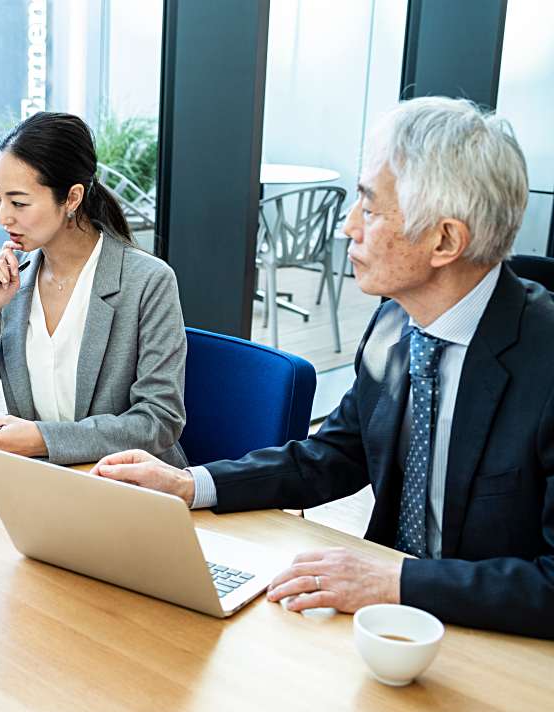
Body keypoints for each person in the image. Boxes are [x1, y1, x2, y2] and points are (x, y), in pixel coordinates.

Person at [91, 97, 554, 640]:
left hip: (502, 649)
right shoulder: (393, 324)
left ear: (445, 240)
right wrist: (190, 484)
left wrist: (397, 581)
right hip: (385, 636)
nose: (346, 226)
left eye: (371, 208)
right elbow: (336, 453)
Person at [0, 112, 188, 466]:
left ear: (72, 198)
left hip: (126, 488)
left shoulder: (147, 281)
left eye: (19, 202)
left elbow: (158, 422)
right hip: (36, 482)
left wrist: (43, 439)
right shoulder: (14, 279)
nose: (3, 217)